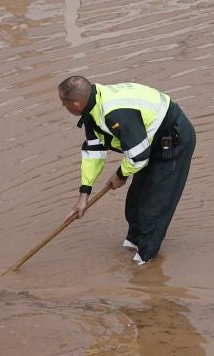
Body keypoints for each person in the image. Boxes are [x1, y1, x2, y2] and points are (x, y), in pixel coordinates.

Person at [56, 75, 196, 266]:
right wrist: (84, 195)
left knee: (152, 208)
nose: (65, 108)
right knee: (134, 203)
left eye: (64, 104)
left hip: (172, 140)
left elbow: (139, 156)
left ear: (76, 103)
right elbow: (93, 151)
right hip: (148, 142)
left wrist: (121, 175)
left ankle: (145, 265)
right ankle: (132, 246)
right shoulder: (92, 108)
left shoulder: (115, 113)